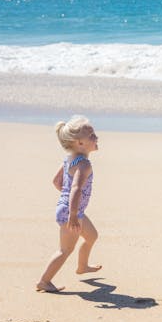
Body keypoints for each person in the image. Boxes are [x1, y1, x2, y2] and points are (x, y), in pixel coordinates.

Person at [37, 115, 102, 292]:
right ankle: (44, 281)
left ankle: (82, 267)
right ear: (79, 143)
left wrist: (71, 206)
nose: (96, 137)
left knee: (92, 236)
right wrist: (72, 215)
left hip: (72, 210)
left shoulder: (69, 158)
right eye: (92, 136)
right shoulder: (84, 165)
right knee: (65, 250)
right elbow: (75, 189)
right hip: (71, 214)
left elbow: (57, 182)